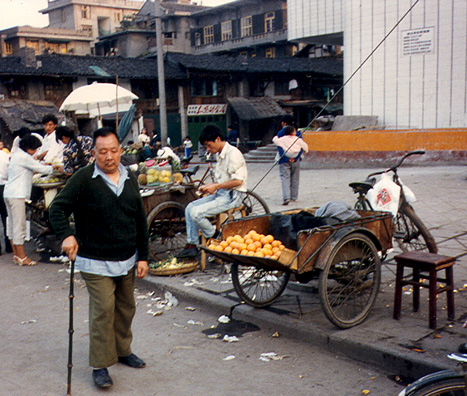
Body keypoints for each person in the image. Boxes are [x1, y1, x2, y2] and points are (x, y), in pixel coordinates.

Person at [49, 127, 149, 389]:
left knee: (126, 308)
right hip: (94, 260)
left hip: (127, 257)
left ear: (120, 150)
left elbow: (139, 219)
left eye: (113, 150)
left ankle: (123, 350)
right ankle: (101, 364)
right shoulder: (84, 178)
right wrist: (67, 236)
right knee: (103, 310)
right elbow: (57, 208)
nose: (109, 156)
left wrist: (143, 256)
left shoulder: (130, 178)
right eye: (102, 151)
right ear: (94, 153)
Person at [177, 125, 247, 258]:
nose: (208, 149)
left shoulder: (233, 154)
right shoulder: (220, 154)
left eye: (209, 145)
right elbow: (224, 179)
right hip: (221, 193)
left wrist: (216, 186)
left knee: (196, 213)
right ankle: (192, 245)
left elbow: (238, 181)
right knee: (189, 208)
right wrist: (211, 186)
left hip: (232, 196)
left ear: (218, 139)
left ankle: (216, 237)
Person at [4, 134, 59, 266]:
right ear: (29, 148)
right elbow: (42, 169)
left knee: (12, 225)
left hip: (9, 193)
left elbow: (31, 169)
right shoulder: (24, 157)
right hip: (17, 195)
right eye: (35, 148)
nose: (36, 151)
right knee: (19, 225)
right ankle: (22, 257)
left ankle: (16, 255)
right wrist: (55, 167)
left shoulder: (17, 155)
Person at [273, 123, 308, 206]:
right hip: (295, 160)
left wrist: (287, 158)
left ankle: (286, 197)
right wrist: (295, 158)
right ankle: (294, 197)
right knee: (295, 178)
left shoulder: (281, 139)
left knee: (285, 178)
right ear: (293, 132)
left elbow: (275, 140)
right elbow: (305, 148)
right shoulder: (298, 139)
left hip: (284, 160)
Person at [0, 148, 12, 254]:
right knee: (6, 217)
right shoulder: (4, 155)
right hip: (3, 187)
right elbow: (9, 172)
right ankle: (9, 245)